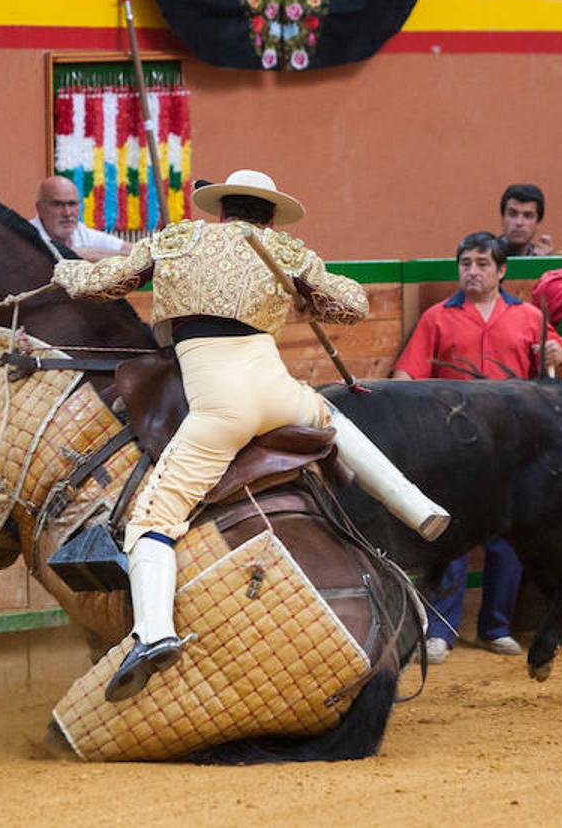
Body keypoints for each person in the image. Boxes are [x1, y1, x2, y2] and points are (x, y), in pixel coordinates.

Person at [53, 168, 444, 702]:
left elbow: (101, 284)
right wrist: (310, 301)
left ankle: (152, 635)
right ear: (269, 214)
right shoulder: (283, 251)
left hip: (220, 407)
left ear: (222, 208)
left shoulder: (177, 238)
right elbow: (352, 304)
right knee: (332, 419)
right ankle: (417, 507)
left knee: (153, 518)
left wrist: (64, 272)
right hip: (279, 393)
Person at [392, 232, 562, 664]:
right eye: (466, 263)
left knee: (507, 539)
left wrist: (559, 355)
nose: (472, 271)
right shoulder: (438, 317)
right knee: (449, 537)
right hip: (453, 446)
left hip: (513, 444)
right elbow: (407, 376)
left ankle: (495, 627)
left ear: (502, 270)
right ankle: (441, 632)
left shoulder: (530, 316)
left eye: (482, 264)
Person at [30, 175, 133, 262]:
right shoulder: (25, 238)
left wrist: (95, 254)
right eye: (57, 204)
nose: (67, 213)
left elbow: (138, 253)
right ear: (40, 209)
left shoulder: (80, 232)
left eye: (72, 204)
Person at [497, 183, 552, 256]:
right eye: (513, 214)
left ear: (538, 223)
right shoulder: (485, 258)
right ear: (503, 218)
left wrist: (540, 264)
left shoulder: (541, 258)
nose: (519, 222)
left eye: (528, 216)